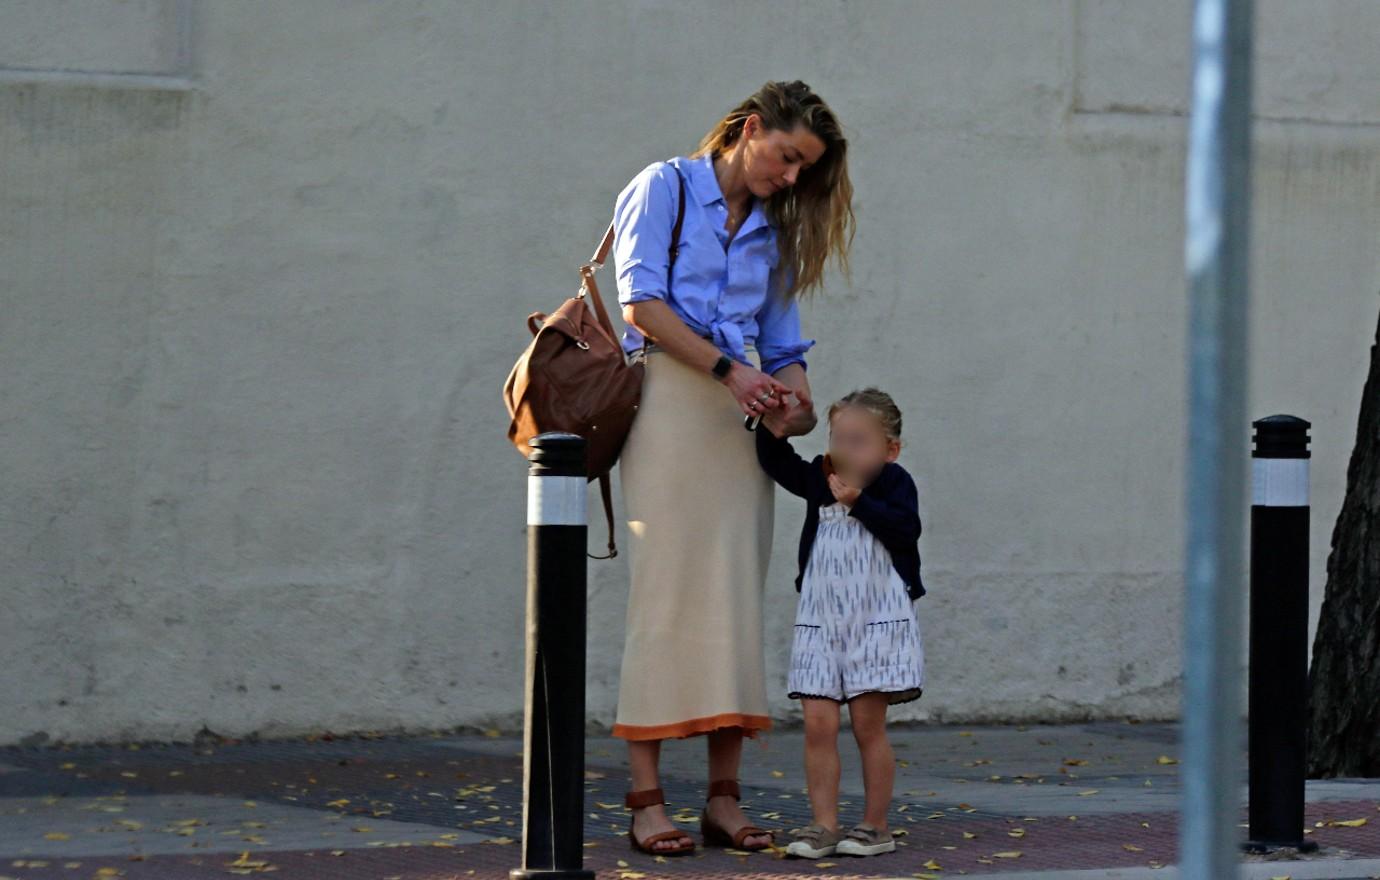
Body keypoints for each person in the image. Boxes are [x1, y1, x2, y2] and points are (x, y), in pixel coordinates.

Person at [610, 80, 855, 856]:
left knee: (733, 599)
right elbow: (639, 305)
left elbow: (782, 343)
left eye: (803, 170)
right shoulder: (664, 186)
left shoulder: (772, 235)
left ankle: (724, 799)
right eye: (787, 158)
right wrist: (731, 373)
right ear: (750, 129)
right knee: (665, 592)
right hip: (669, 403)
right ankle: (646, 800)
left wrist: (798, 409)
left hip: (739, 419)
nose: (791, 180)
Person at [755, 387, 926, 859]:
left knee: (868, 727)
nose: (844, 450)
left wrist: (858, 502)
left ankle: (875, 825)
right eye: (838, 439)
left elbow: (905, 530)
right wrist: (773, 422)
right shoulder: (819, 478)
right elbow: (776, 462)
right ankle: (823, 824)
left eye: (858, 441)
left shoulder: (894, 483)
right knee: (817, 725)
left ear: (889, 450)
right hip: (820, 621)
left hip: (874, 621)